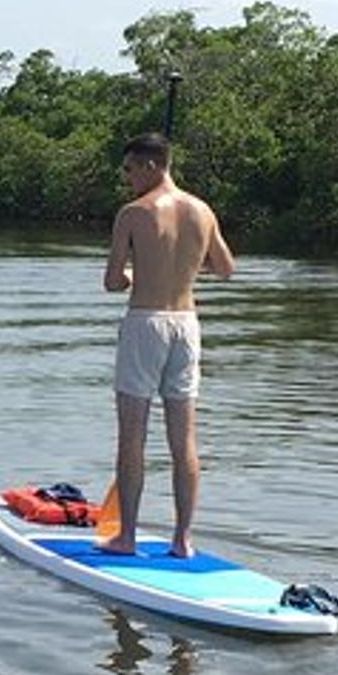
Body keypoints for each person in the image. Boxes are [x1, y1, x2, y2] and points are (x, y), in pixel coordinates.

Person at [102, 134, 234, 558]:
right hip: (187, 325)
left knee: (133, 437)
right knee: (184, 440)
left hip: (146, 323)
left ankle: (127, 538)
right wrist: (183, 266)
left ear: (152, 166)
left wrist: (137, 276)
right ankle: (183, 540)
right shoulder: (202, 210)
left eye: (129, 169)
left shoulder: (133, 214)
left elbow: (111, 281)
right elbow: (225, 268)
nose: (126, 178)